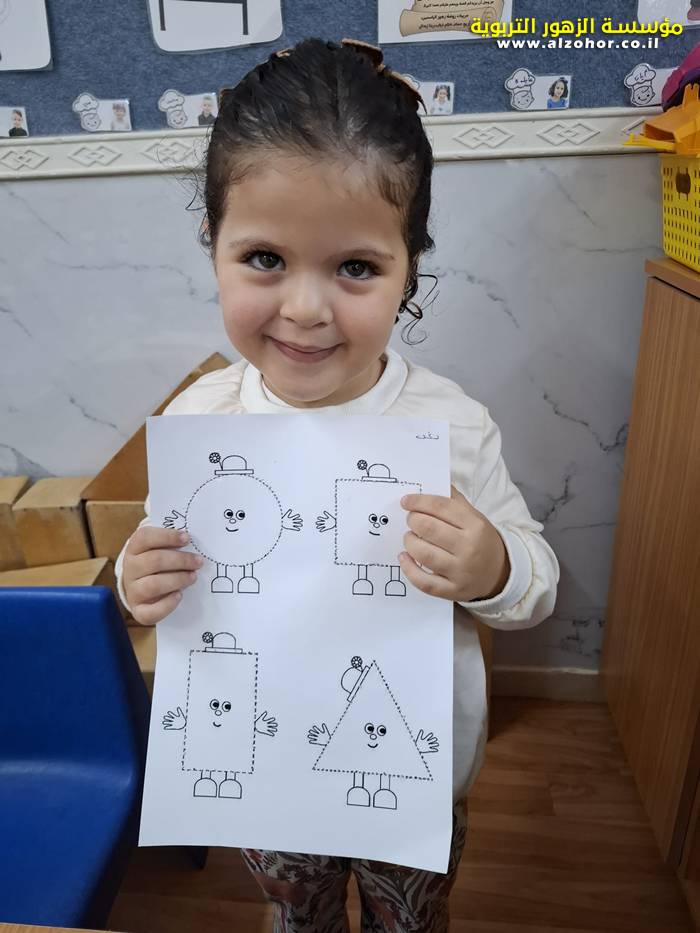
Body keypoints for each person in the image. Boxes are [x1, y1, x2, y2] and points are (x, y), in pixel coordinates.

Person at [115, 36, 559, 933]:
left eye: (355, 267)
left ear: (408, 266)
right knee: (297, 914)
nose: (306, 308)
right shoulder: (201, 419)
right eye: (264, 258)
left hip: (413, 773)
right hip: (265, 770)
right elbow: (167, 561)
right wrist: (137, 578)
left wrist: (494, 566)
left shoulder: (449, 424)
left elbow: (536, 584)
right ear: (212, 246)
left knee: (411, 919)